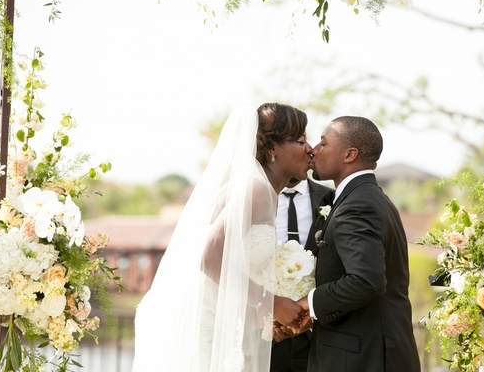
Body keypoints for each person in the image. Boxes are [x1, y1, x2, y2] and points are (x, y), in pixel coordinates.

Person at [132, 103, 314, 372]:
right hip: (210, 324)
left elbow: (232, 271)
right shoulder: (257, 190)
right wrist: (271, 303)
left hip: (226, 320)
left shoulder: (261, 189)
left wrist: (264, 317)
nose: (310, 148)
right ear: (273, 148)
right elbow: (209, 256)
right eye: (300, 141)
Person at [297, 116, 421, 372]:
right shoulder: (371, 198)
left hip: (363, 359)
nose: (313, 150)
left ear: (349, 155)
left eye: (323, 143)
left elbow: (366, 280)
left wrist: (308, 305)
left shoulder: (357, 205)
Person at [271, 177, 334, 372]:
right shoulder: (253, 197)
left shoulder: (331, 197)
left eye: (304, 143)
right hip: (265, 339)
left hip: (318, 335)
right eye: (298, 143)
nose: (307, 150)